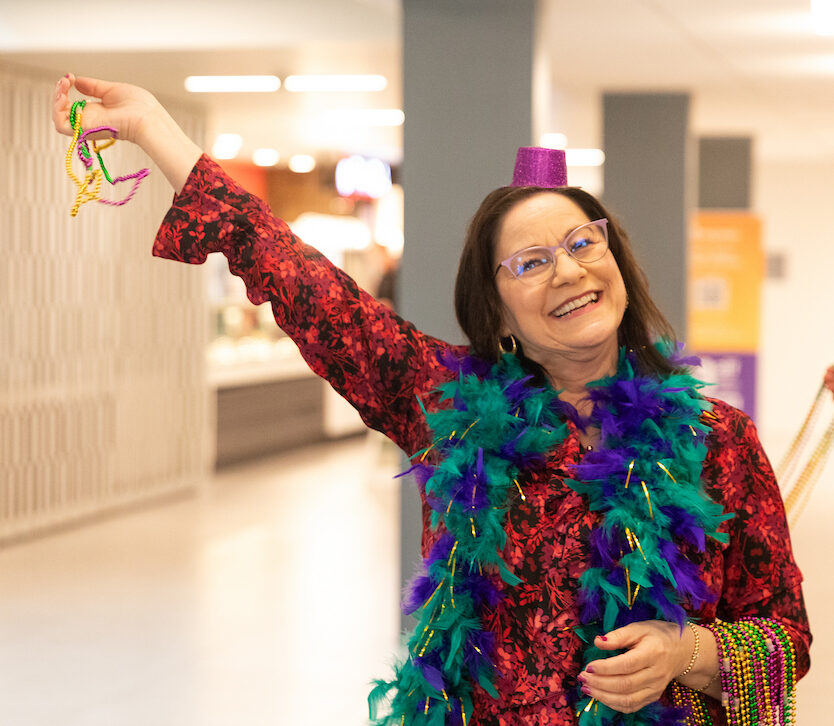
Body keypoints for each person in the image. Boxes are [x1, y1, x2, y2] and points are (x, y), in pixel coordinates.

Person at [53, 75, 810, 726]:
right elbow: (304, 282)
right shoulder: (447, 405)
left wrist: (694, 651)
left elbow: (788, 642)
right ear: (498, 312)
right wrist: (157, 130)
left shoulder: (719, 440)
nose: (570, 272)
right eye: (532, 262)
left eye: (584, 243)